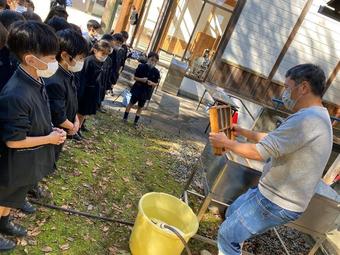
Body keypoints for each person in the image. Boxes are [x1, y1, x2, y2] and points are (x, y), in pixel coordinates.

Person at [209, 64, 333, 255]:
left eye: (287, 87)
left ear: (304, 87)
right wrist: (244, 132)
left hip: (277, 201)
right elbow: (275, 140)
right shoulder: (317, 117)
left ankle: (229, 248)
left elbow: (261, 152)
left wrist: (227, 143)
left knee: (227, 236)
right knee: (233, 212)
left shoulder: (307, 120)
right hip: (270, 193)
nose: (285, 92)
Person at [0, 21, 66, 252]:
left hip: (27, 160)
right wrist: (49, 139)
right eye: (50, 58)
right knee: (3, 198)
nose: (54, 63)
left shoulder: (36, 78)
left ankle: (4, 222)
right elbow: (13, 140)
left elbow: (39, 114)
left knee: (13, 196)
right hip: (13, 161)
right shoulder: (16, 94)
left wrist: (51, 130)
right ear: (30, 59)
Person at [45, 28, 88, 157]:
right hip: (54, 132)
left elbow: (71, 101)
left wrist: (75, 120)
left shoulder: (69, 73)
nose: (81, 62)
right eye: (80, 58)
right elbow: (58, 115)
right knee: (50, 157)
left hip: (64, 129)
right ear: (64, 55)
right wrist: (73, 127)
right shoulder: (55, 80)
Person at [77, 40, 111, 135]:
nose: (104, 56)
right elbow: (83, 77)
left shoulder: (105, 62)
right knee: (81, 112)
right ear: (95, 50)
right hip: (86, 91)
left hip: (95, 91)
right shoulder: (89, 60)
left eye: (107, 54)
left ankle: (81, 126)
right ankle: (76, 129)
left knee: (86, 112)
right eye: (102, 53)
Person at [123, 52, 160, 126]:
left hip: (146, 91)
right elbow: (135, 77)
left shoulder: (156, 72)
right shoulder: (141, 66)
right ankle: (125, 118)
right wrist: (141, 79)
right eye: (152, 60)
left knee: (140, 107)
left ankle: (135, 122)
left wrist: (152, 83)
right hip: (137, 88)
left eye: (155, 61)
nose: (153, 62)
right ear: (148, 59)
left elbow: (156, 83)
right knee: (131, 103)